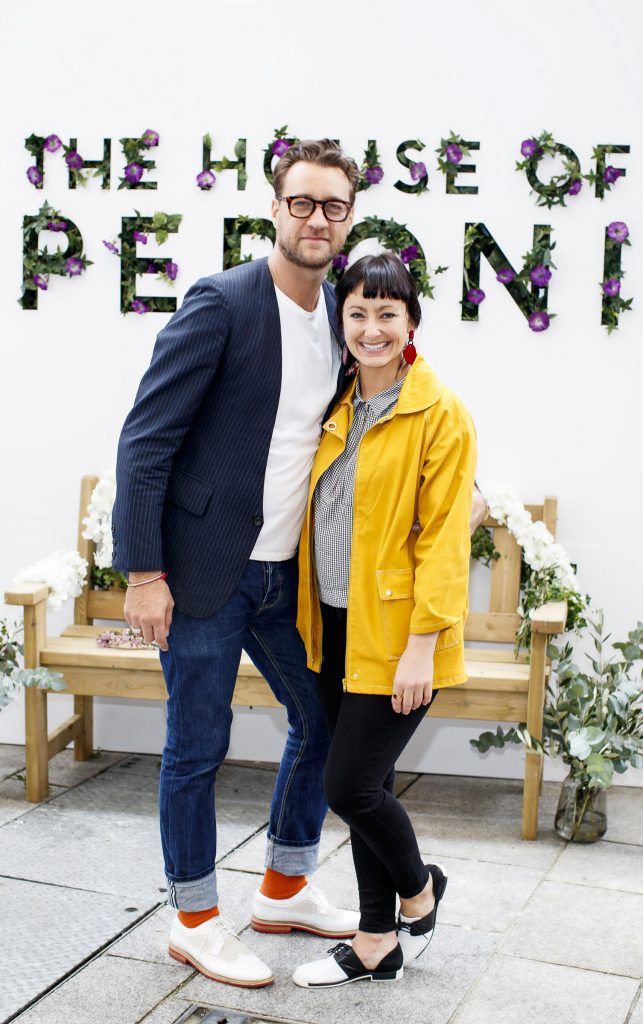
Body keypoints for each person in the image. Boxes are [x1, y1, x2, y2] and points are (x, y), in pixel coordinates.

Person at [112, 139, 487, 990]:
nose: (317, 220)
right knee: (194, 747)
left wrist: (462, 491)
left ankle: (282, 883)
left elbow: (386, 434)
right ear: (275, 209)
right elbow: (145, 441)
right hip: (208, 571)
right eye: (302, 203)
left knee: (320, 733)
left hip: (291, 582)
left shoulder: (340, 317)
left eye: (334, 207)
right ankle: (196, 919)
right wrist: (143, 573)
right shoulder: (221, 302)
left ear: (348, 217)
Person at [292, 253, 477, 989]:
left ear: (410, 324)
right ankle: (376, 944)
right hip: (335, 626)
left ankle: (419, 887)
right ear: (341, 324)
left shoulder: (439, 413)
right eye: (357, 314)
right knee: (367, 783)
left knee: (349, 788)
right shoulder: (337, 407)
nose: (371, 329)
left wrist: (421, 647)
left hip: (399, 637)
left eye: (386, 314)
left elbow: (442, 541)